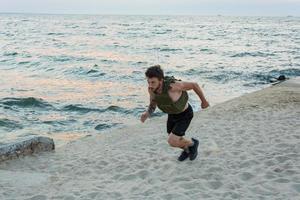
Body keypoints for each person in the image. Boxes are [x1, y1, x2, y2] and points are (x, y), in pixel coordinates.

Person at [140, 65, 209, 161]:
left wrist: (204, 102)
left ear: (161, 80)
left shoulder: (173, 86)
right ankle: (187, 150)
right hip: (172, 115)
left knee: (172, 141)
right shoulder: (151, 90)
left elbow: (194, 85)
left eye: (153, 82)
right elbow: (153, 103)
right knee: (175, 139)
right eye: (148, 82)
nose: (150, 85)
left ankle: (193, 144)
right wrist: (147, 114)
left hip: (185, 114)